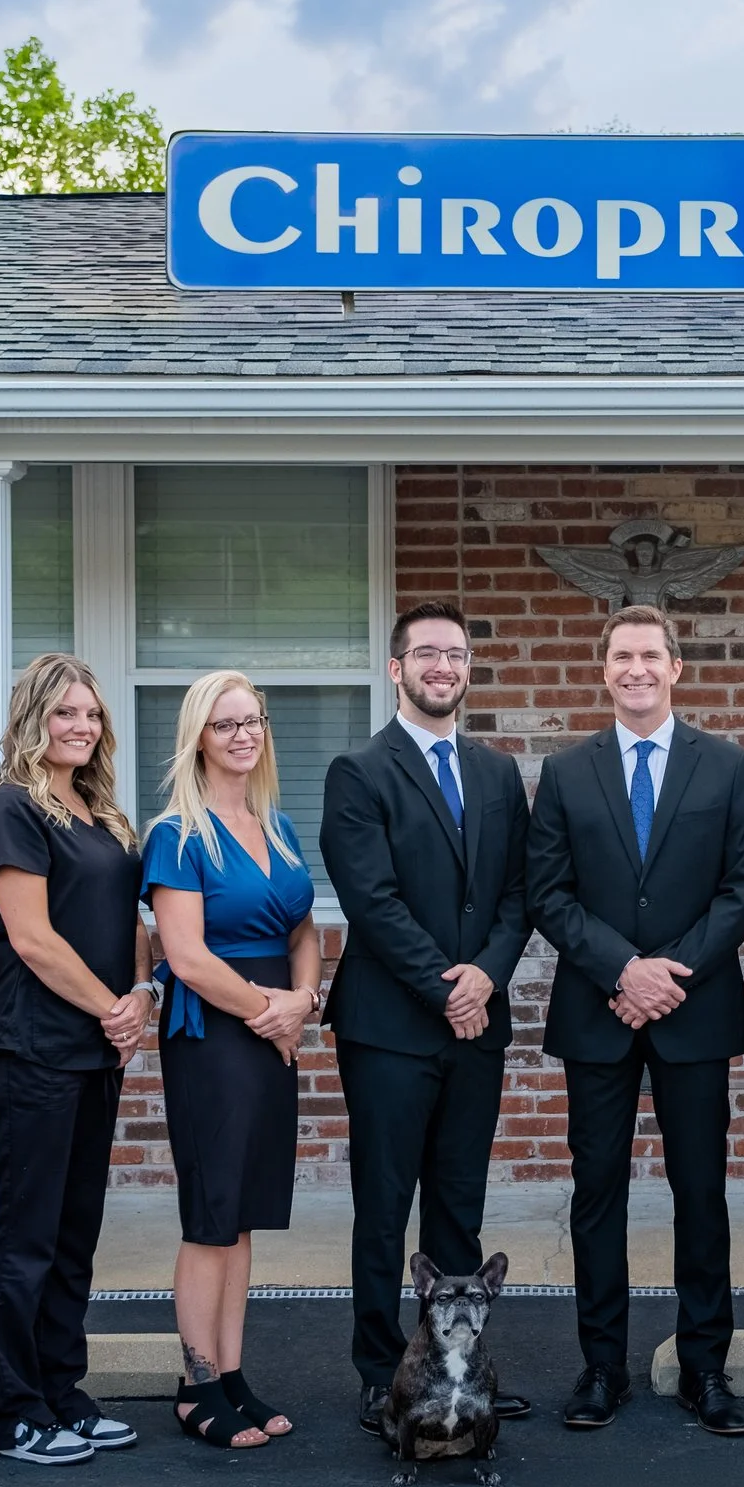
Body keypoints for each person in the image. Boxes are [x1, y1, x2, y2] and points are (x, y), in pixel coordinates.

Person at [527, 603, 744, 1435]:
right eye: (621, 657)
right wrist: (621, 968)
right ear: (604, 671)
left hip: (694, 1012)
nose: (636, 669)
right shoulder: (565, 771)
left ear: (675, 668)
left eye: (650, 656)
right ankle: (602, 1366)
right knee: (597, 1192)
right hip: (597, 1011)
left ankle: (706, 1366)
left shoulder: (729, 765)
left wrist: (672, 973)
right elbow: (547, 892)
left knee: (699, 1190)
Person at [321, 602, 535, 1434]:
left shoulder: (495, 772)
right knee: (383, 1207)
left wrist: (485, 975)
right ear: (396, 668)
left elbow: (517, 895)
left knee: (458, 1207)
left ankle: (458, 1373)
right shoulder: (359, 771)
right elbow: (370, 900)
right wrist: (447, 986)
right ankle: (384, 1373)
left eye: (456, 653)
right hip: (389, 1026)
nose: (443, 666)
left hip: (477, 1026)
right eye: (427, 654)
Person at [0, 653, 153, 1466]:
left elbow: (133, 921)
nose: (82, 726)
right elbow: (32, 937)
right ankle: (12, 1409)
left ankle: (61, 1390)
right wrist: (111, 1006)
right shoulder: (12, 807)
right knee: (25, 1234)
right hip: (36, 1046)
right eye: (64, 713)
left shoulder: (102, 811)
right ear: (32, 719)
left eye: (91, 714)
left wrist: (142, 990)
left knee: (75, 1231)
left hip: (96, 1048)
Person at [143, 671, 320, 1449]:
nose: (244, 735)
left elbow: (306, 929)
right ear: (199, 736)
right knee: (211, 1215)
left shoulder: (274, 823)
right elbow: (184, 955)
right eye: (226, 724)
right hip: (214, 1036)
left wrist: (304, 1001)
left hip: (272, 1027)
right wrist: (268, 1011)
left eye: (253, 721)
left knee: (242, 1216)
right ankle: (196, 1384)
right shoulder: (177, 832)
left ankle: (233, 1371)